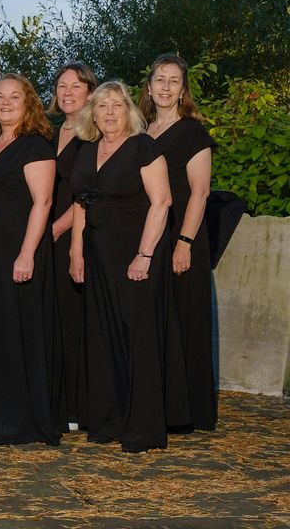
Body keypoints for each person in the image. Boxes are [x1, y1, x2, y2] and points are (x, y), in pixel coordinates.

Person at [70, 82, 173, 453]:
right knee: (102, 337)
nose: (109, 112)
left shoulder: (143, 146)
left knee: (137, 338)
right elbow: (82, 204)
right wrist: (76, 252)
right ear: (92, 113)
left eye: (116, 105)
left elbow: (162, 202)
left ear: (128, 109)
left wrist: (144, 255)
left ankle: (142, 428)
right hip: (97, 255)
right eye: (102, 106)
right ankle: (107, 420)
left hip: (135, 253)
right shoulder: (87, 150)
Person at [0, 74, 62, 446]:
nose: (6, 103)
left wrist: (26, 253)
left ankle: (20, 420)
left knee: (18, 331)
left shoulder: (35, 145)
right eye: (0, 97)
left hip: (18, 252)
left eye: (15, 97)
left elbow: (43, 202)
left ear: (29, 104)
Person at [141, 54, 216, 432]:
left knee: (183, 319)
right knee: (156, 321)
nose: (166, 87)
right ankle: (160, 404)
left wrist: (184, 242)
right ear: (149, 86)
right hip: (150, 236)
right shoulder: (142, 130)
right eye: (160, 80)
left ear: (183, 89)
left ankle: (188, 412)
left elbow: (200, 193)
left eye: (173, 81)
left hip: (182, 234)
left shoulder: (193, 133)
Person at [48, 62, 96, 430]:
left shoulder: (95, 135)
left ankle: (78, 407)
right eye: (61, 86)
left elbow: (85, 193)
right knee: (52, 320)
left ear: (89, 92)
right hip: (45, 234)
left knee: (74, 319)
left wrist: (58, 229)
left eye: (75, 86)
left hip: (73, 233)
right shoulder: (48, 132)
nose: (67, 92)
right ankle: (54, 400)